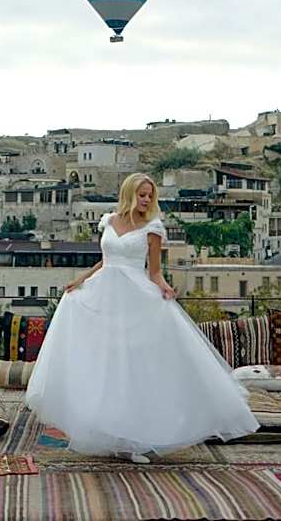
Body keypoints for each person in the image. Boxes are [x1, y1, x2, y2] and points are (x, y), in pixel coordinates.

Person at [25, 172, 259, 462]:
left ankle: (134, 440)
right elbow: (105, 260)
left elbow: (155, 271)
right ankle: (108, 431)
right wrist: (79, 280)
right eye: (141, 194)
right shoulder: (108, 221)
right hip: (104, 295)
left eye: (150, 195)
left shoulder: (153, 228)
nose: (146, 200)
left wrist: (164, 287)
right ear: (129, 194)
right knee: (104, 363)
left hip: (136, 297)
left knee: (133, 366)